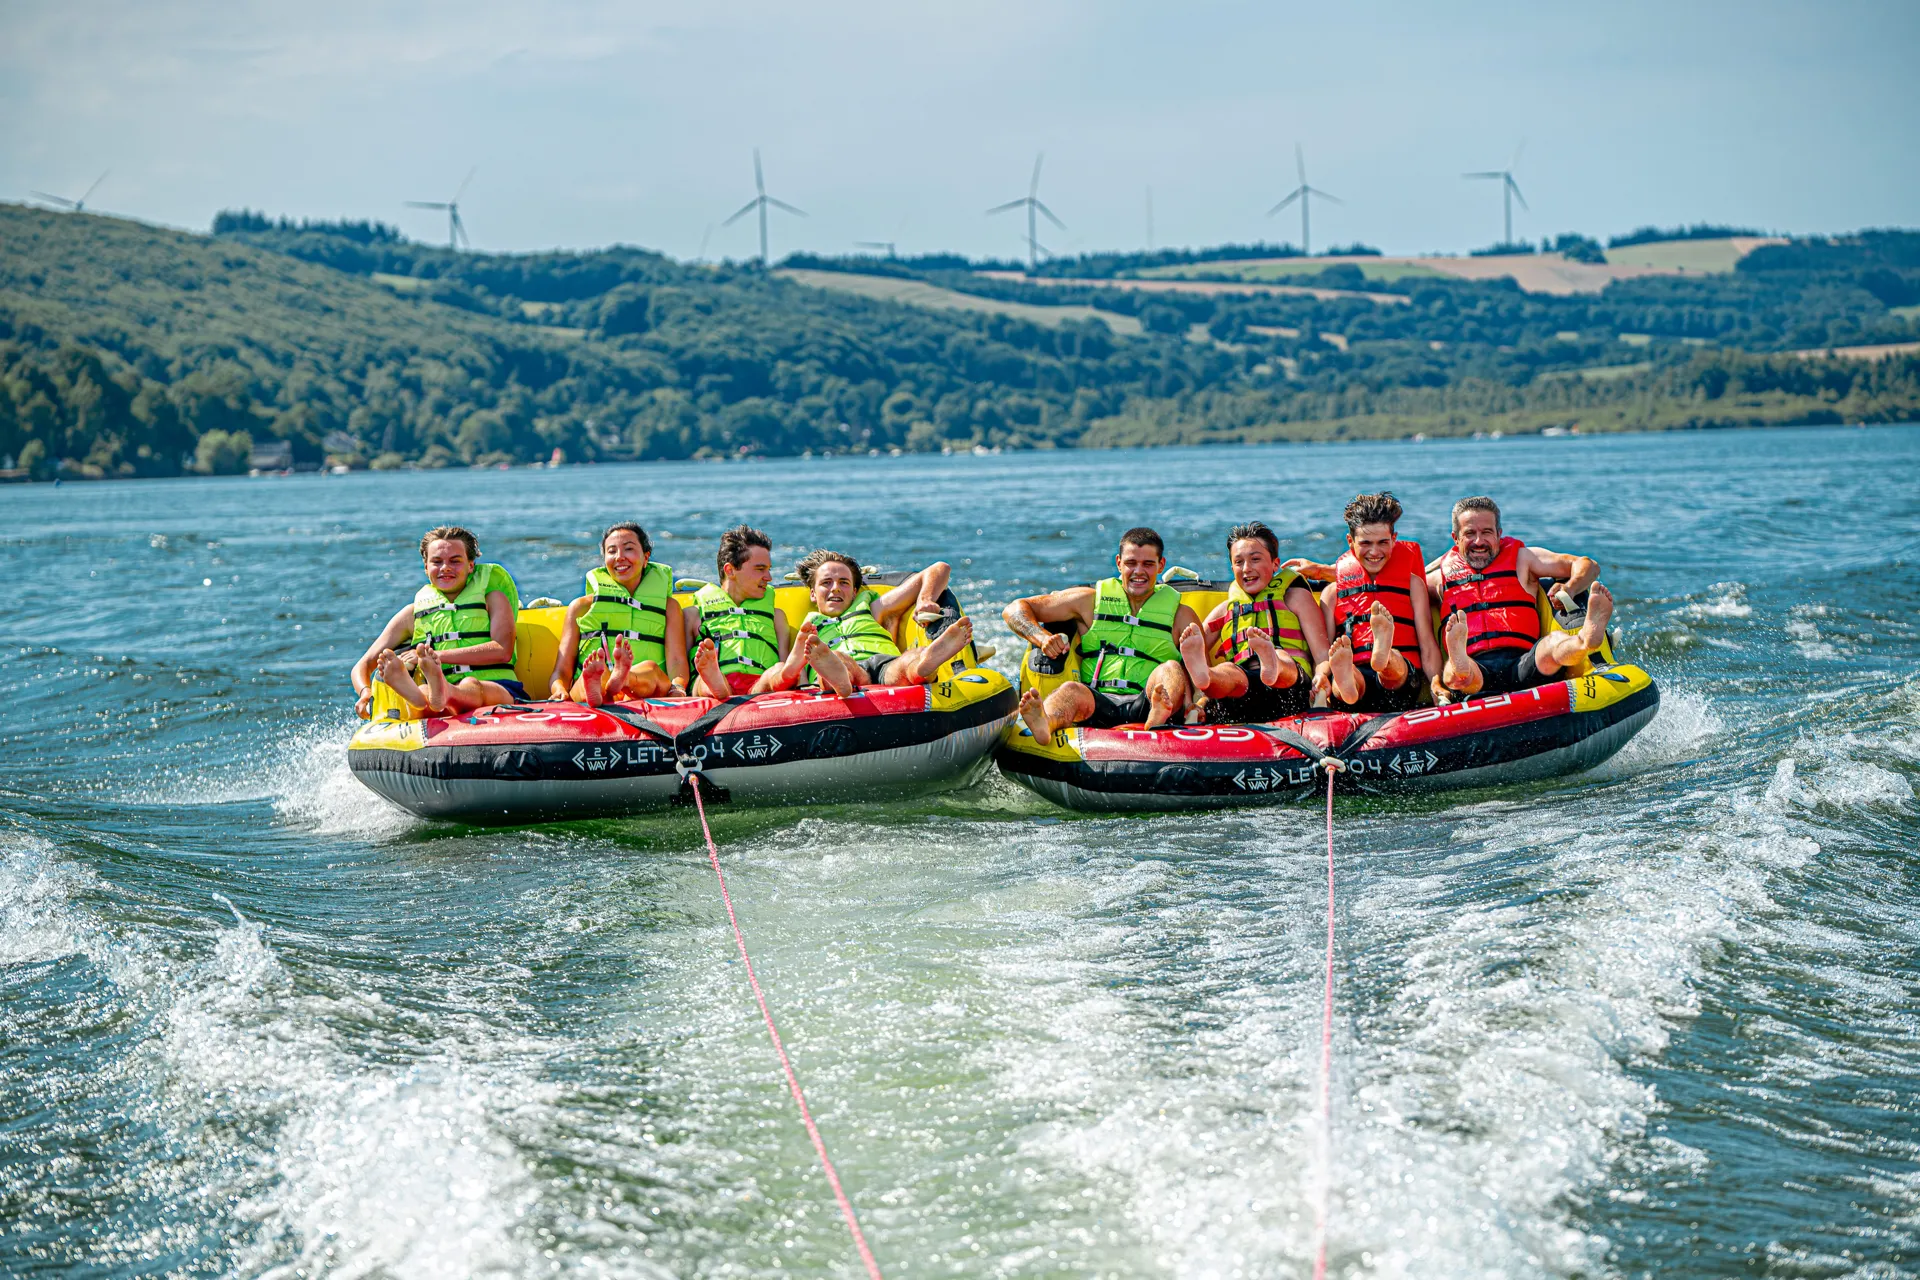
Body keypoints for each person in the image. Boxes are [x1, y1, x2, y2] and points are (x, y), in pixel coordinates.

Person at [1003, 527, 1205, 739]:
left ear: (1161, 565)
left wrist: (1197, 705)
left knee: (1171, 669)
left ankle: (1157, 718)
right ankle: (1047, 722)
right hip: (1097, 701)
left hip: (1150, 700)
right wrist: (1042, 637)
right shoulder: (1087, 602)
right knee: (1071, 690)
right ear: (1119, 563)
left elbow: (1202, 676)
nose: (1138, 571)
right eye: (1131, 563)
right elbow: (1014, 609)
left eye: (1147, 564)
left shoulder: (1182, 616)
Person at [1427, 495, 1616, 698]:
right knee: (1454, 671)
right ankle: (1459, 661)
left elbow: (1588, 566)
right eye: (1470, 533)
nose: (1479, 541)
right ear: (1456, 538)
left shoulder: (1523, 559)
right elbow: (1406, 592)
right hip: (1476, 667)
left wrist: (1570, 588)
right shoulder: (1438, 579)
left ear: (1499, 534)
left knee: (1551, 645)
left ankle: (1584, 640)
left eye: (1487, 532)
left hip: (1525, 661)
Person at [351, 525, 525, 716]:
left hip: (497, 688)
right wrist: (365, 693)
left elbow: (502, 651)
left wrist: (437, 657)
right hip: (439, 699)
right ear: (426, 568)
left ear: (471, 565)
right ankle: (421, 696)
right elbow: (364, 665)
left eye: (455, 561)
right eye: (437, 561)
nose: (445, 568)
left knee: (471, 685)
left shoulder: (493, 599)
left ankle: (440, 692)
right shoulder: (412, 614)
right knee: (426, 692)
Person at [1186, 521, 1330, 723]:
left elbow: (1322, 655)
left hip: (1290, 692)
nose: (1246, 568)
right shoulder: (1225, 609)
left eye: (1255, 559)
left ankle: (1272, 663)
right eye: (1239, 562)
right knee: (1230, 672)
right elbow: (1194, 642)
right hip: (1241, 695)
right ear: (1232, 567)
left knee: (1280, 657)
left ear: (1275, 564)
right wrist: (1199, 673)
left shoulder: (1295, 597)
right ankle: (1207, 679)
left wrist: (1321, 676)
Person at [1316, 493, 1445, 712]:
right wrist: (1320, 677)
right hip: (1356, 675)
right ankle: (1347, 683)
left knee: (1394, 667)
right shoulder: (1332, 593)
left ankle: (1383, 656)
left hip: (1401, 684)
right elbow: (1323, 652)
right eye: (1366, 543)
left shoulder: (1412, 584)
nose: (1374, 552)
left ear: (1394, 539)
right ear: (1350, 542)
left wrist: (1436, 684)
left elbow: (1427, 644)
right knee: (1347, 675)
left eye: (1382, 542)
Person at [792, 550, 976, 694]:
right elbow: (794, 671)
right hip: (842, 664)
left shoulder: (873, 609)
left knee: (910, 660)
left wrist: (925, 600)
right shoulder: (806, 630)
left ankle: (925, 663)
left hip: (885, 663)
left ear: (855, 592)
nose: (836, 589)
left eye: (844, 582)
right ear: (813, 593)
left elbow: (940, 568)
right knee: (837, 659)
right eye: (826, 583)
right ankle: (840, 680)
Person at [550, 522, 689, 705]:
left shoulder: (669, 607)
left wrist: (677, 687)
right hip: (594, 688)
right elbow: (561, 671)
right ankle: (598, 687)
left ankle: (624, 678)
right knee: (593, 673)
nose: (619, 557)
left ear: (646, 557)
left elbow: (677, 661)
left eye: (628, 549)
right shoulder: (581, 608)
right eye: (612, 551)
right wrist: (559, 689)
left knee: (650, 669)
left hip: (646, 689)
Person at [681, 525, 817, 698]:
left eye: (769, 569)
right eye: (760, 569)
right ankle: (716, 682)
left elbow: (782, 657)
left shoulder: (776, 616)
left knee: (777, 670)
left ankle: (788, 673)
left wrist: (802, 683)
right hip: (712, 682)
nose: (769, 577)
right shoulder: (693, 615)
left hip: (759, 686)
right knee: (702, 681)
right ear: (730, 570)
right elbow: (680, 666)